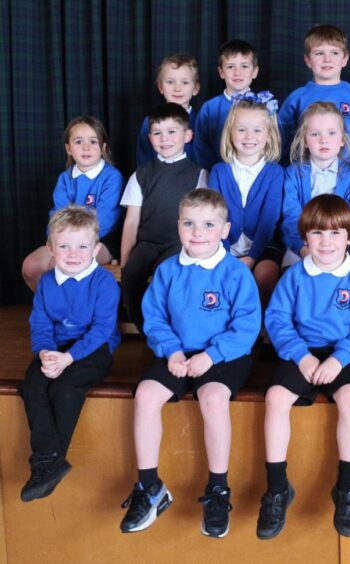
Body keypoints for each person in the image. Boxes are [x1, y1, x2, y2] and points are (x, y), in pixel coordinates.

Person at [119, 189, 260, 537]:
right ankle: (150, 488)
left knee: (212, 398)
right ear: (178, 227)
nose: (198, 232)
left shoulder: (235, 273)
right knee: (147, 395)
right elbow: (153, 318)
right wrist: (172, 351)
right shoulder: (168, 270)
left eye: (208, 224)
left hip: (223, 356)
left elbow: (247, 326)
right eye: (190, 224)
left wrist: (210, 356)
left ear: (224, 230)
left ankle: (217, 489)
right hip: (178, 354)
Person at [260, 195, 350, 540]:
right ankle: (277, 489)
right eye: (317, 234)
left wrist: (338, 359)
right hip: (302, 352)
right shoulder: (295, 276)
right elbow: (279, 320)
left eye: (335, 234)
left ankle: (347, 490)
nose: (326, 242)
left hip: (344, 353)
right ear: (304, 239)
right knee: (275, 399)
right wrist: (302, 356)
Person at [20, 206, 120, 502]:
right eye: (64, 246)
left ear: (96, 249)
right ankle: (49, 460)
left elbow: (102, 329)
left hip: (92, 350)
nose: (73, 254)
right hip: (55, 349)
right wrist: (45, 354)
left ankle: (47, 459)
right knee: (33, 385)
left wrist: (68, 359)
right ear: (51, 249)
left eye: (82, 246)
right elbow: (40, 323)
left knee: (64, 388)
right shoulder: (47, 282)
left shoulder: (103, 283)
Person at [120, 103, 208, 330]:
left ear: (187, 136)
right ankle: (143, 326)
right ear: (150, 138)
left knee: (164, 274)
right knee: (131, 272)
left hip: (177, 243)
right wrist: (125, 258)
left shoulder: (199, 174)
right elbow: (131, 222)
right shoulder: (141, 174)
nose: (164, 138)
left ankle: (167, 327)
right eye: (157, 133)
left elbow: (202, 218)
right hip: (148, 243)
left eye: (172, 132)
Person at [22, 116, 123, 291]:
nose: (86, 147)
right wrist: (58, 245)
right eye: (78, 142)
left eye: (93, 141)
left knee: (66, 265)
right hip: (64, 239)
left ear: (103, 147)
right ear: (69, 149)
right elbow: (57, 217)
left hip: (102, 240)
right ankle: (55, 311)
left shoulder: (112, 177)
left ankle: (76, 314)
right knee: (31, 267)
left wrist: (71, 247)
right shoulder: (65, 179)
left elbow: (105, 220)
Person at [208, 91, 283, 307]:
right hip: (223, 245)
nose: (249, 137)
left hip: (264, 245)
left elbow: (269, 219)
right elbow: (215, 216)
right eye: (241, 130)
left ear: (269, 134)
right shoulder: (219, 171)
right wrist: (224, 253)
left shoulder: (275, 173)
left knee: (265, 275)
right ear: (230, 133)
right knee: (221, 277)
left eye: (257, 130)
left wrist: (251, 258)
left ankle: (260, 330)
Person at [280, 101, 350, 266]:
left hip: (344, 250)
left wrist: (340, 253)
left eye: (331, 133)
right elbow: (290, 217)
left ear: (342, 139)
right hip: (303, 247)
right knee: (292, 278)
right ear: (305, 141)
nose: (324, 140)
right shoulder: (293, 174)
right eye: (315, 134)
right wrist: (304, 249)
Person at [278, 24, 350, 171]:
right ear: (307, 60)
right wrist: (289, 171)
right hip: (306, 173)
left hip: (349, 174)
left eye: (335, 53)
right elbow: (282, 141)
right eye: (319, 53)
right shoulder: (297, 98)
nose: (327, 59)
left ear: (345, 59)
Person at [193, 40, 260, 170]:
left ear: (255, 71)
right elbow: (201, 147)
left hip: (257, 173)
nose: (237, 72)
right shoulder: (209, 108)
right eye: (230, 67)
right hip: (218, 175)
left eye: (244, 66)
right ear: (221, 72)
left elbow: (273, 142)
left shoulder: (265, 106)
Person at [136, 54, 201, 167]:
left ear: (195, 88)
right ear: (161, 87)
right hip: (158, 181)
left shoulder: (202, 123)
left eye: (185, 82)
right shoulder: (149, 122)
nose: (177, 88)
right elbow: (143, 161)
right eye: (170, 82)